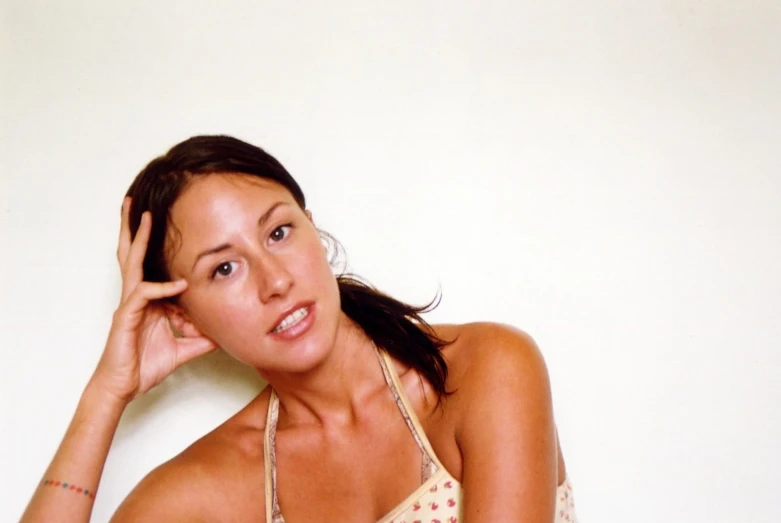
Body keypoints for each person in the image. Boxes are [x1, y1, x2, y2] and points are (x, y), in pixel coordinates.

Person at [20, 135, 578, 522]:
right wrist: (106, 394)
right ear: (183, 314)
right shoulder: (212, 485)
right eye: (224, 268)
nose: (275, 281)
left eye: (279, 233)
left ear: (313, 229)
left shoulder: (483, 371)